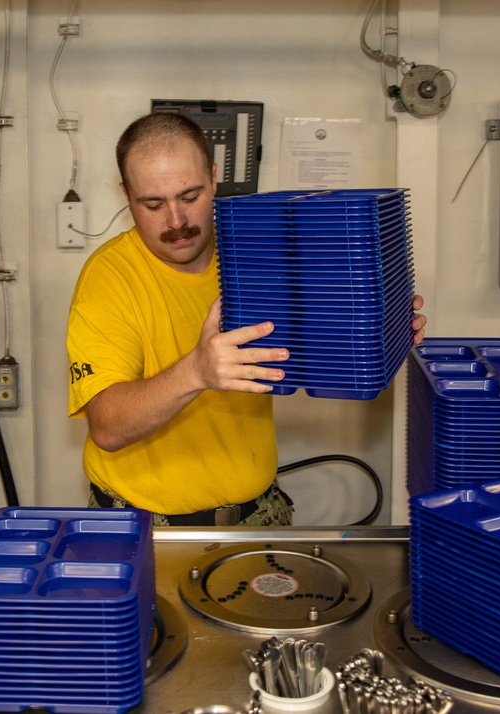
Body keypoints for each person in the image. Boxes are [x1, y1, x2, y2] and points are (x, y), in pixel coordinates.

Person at [67, 112, 426, 527]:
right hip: (142, 526)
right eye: (153, 204)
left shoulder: (254, 252)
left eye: (190, 196)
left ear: (214, 177)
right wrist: (195, 372)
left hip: (259, 513)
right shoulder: (109, 278)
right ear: (126, 195)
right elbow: (108, 427)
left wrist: (383, 326)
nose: (176, 221)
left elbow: (313, 347)